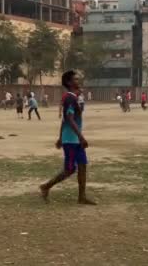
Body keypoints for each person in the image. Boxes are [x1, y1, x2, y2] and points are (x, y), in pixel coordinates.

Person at [40, 70, 95, 205]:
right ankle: (45, 187)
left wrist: (60, 137)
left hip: (73, 138)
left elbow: (64, 120)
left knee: (82, 166)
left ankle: (81, 197)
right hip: (71, 140)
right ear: (69, 82)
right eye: (76, 79)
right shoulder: (69, 98)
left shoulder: (73, 97)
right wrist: (81, 137)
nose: (78, 81)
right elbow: (69, 119)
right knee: (70, 169)